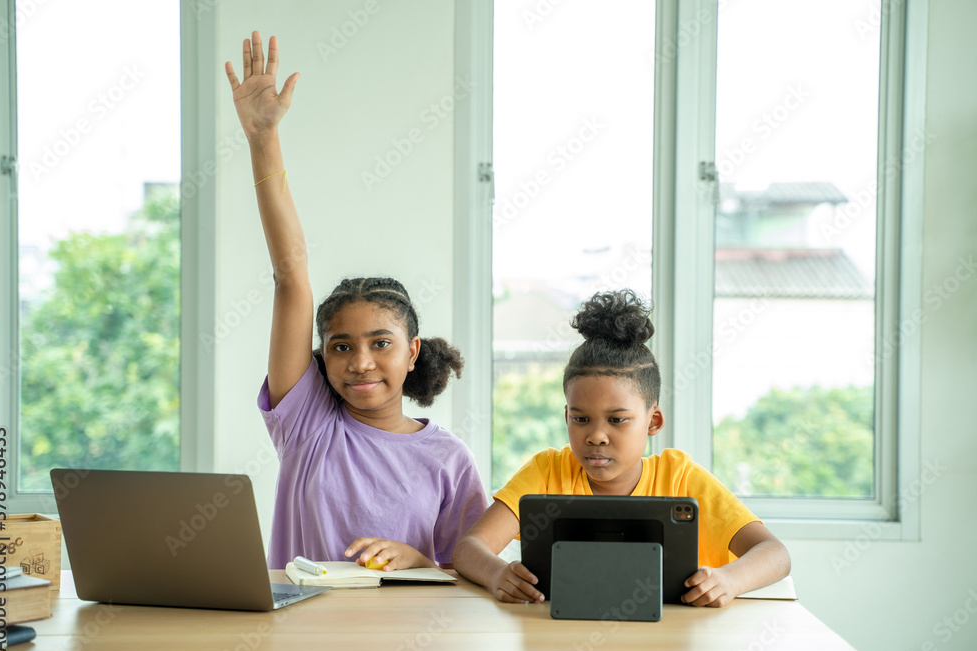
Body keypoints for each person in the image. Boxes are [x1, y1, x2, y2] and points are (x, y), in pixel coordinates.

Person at [224, 31, 487, 571]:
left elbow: (470, 575)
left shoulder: (448, 459)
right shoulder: (309, 424)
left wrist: (418, 560)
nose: (360, 361)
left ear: (412, 351)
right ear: (322, 354)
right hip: (302, 646)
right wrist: (262, 138)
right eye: (340, 346)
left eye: (380, 343)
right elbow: (291, 275)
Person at [453, 289, 791, 606]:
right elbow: (469, 548)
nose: (596, 436)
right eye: (581, 419)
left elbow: (775, 554)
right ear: (566, 416)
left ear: (653, 422)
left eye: (617, 420)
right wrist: (497, 574)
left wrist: (730, 580)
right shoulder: (547, 471)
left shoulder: (681, 478)